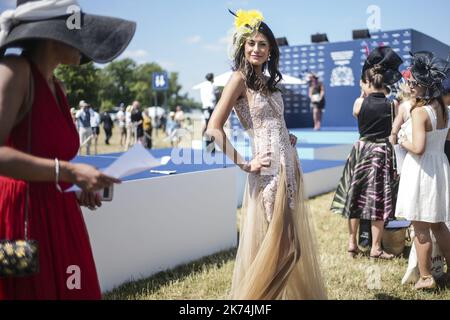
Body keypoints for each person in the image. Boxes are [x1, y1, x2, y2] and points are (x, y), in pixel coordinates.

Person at [0, 0, 135, 300]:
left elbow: (46, 161)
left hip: (59, 214)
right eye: (78, 34)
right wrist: (69, 171)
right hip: (17, 219)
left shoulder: (57, 87)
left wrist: (72, 188)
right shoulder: (13, 71)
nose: (84, 46)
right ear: (53, 34)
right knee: (25, 292)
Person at [207, 9, 326, 300]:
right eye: (251, 43)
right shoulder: (238, 79)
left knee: (288, 248)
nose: (257, 49)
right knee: (287, 250)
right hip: (270, 170)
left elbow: (273, 122)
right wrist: (245, 163)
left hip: (290, 165)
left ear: (271, 49)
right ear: (242, 46)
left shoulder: (267, 80)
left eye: (262, 44)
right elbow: (214, 129)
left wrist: (287, 135)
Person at [331, 46, 403, 260]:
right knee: (378, 201)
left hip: (361, 151)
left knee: (356, 199)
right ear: (387, 82)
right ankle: (376, 247)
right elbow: (395, 132)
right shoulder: (393, 106)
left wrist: (364, 93)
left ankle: (352, 243)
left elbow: (359, 114)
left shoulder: (358, 103)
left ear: (367, 82)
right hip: (381, 153)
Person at [396, 51, 450, 290]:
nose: (409, 86)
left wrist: (401, 139)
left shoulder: (419, 112)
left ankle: (426, 277)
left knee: (420, 227)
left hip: (422, 171)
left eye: (412, 82)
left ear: (423, 85)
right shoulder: (443, 108)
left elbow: (418, 148)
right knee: (439, 224)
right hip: (439, 166)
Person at [201, 73, 218, 151]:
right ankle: (211, 147)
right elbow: (214, 96)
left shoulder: (203, 86)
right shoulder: (212, 86)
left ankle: (209, 146)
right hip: (211, 108)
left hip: (205, 108)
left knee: (208, 125)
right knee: (212, 126)